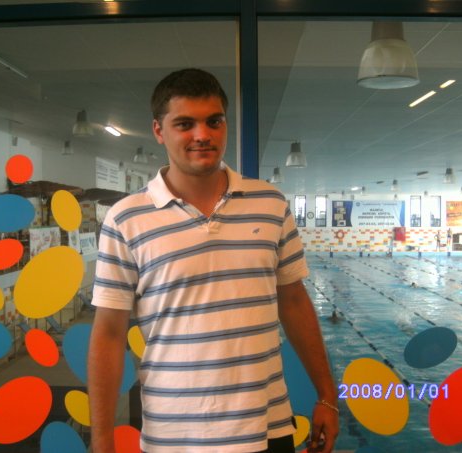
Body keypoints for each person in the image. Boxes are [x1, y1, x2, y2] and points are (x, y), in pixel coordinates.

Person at [88, 68, 339, 453]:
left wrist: (326, 396)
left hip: (267, 425)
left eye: (214, 121)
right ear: (159, 131)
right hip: (175, 435)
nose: (202, 134)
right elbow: (108, 333)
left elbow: (294, 302)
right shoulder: (126, 218)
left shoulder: (269, 204)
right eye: (184, 124)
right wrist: (103, 438)